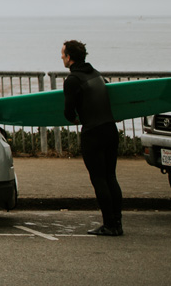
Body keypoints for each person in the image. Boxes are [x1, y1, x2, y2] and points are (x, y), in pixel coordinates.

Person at [61, 39, 123, 236]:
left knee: (98, 179)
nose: (61, 57)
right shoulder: (97, 75)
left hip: (93, 134)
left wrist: (77, 118)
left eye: (63, 54)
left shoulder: (72, 80)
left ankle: (109, 225)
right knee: (111, 176)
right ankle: (117, 223)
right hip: (110, 130)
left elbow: (69, 113)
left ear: (69, 57)